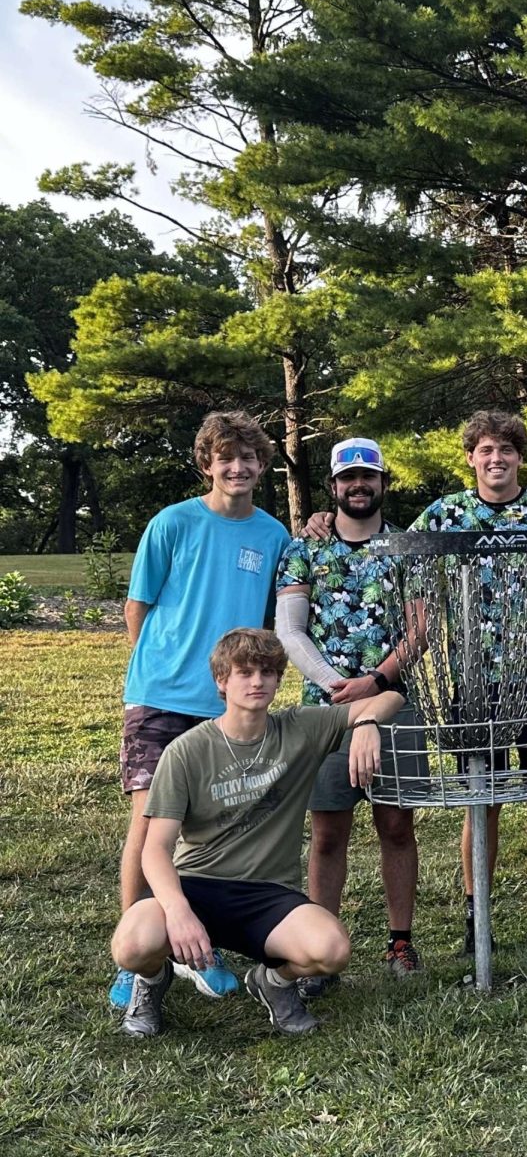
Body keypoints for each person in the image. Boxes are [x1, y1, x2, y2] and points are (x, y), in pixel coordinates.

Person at [110, 628, 404, 1038]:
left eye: (267, 671)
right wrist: (177, 912)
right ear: (221, 680)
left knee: (331, 950)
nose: (257, 682)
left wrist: (368, 720)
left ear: (279, 679)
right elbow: (156, 849)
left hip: (267, 893)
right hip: (197, 885)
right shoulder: (188, 750)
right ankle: (151, 981)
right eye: (244, 672)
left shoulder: (300, 728)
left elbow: (393, 697)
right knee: (132, 944)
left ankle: (274, 983)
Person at [110, 411, 290, 1009]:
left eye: (248, 459)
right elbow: (139, 608)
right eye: (225, 458)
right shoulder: (172, 523)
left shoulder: (272, 536)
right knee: (149, 826)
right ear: (206, 463)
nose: (236, 468)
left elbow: (273, 612)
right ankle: (138, 959)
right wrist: (163, 671)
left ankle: (200, 943)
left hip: (229, 706)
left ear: (261, 467)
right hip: (162, 698)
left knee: (213, 830)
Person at [410, 410, 527, 951]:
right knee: (481, 799)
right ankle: (475, 915)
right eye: (486, 450)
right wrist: (320, 523)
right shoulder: (445, 515)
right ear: (471, 457)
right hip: (475, 681)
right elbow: (386, 549)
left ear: (520, 458)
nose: (496, 459)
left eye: (506, 449)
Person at [276, 437, 427, 998]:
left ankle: (401, 941)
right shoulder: (304, 549)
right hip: (323, 713)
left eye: (368, 476)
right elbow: (290, 628)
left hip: (394, 703)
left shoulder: (406, 547)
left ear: (383, 483)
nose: (358, 486)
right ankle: (319, 951)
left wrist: (377, 681)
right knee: (327, 833)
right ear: (334, 487)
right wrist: (334, 686)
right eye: (347, 478)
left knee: (396, 825)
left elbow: (422, 629)